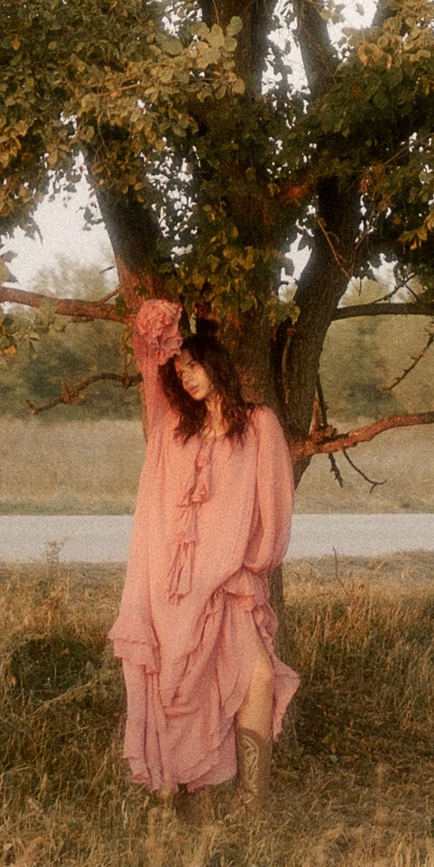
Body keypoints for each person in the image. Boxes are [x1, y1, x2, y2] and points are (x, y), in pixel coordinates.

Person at [109, 294, 300, 809]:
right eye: (183, 368)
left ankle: (251, 804)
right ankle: (187, 796)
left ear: (217, 365)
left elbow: (275, 508)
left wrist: (247, 565)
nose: (189, 376)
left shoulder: (259, 425)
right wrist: (159, 329)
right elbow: (151, 363)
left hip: (232, 582)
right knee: (182, 688)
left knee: (257, 676)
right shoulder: (174, 429)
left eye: (196, 365)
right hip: (176, 588)